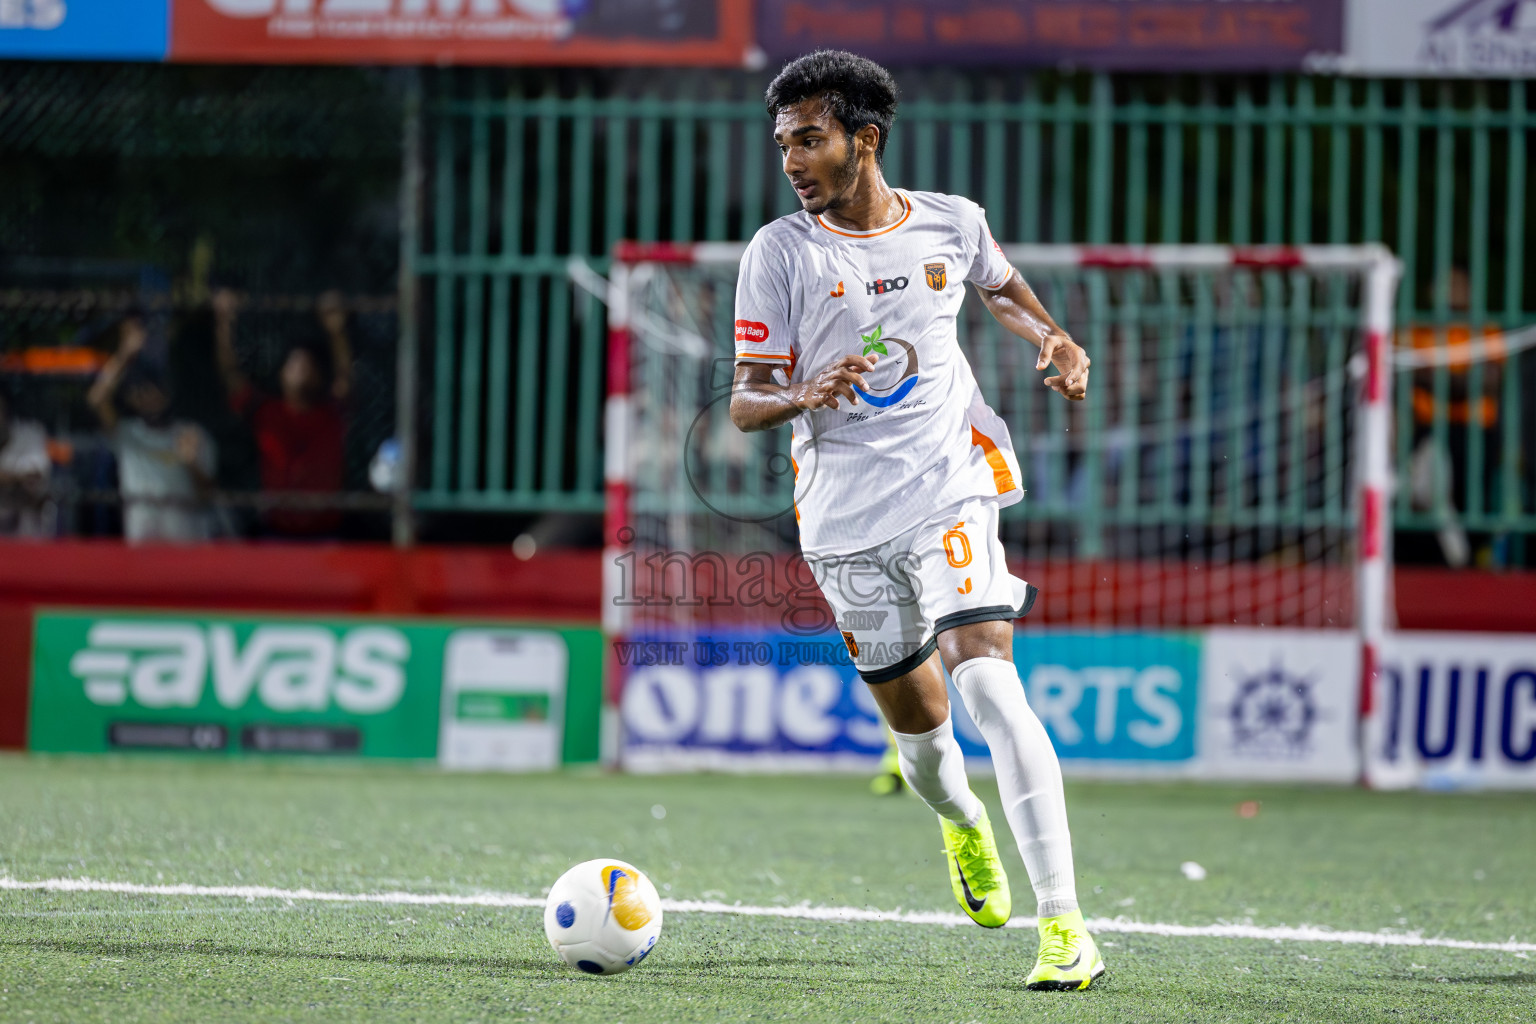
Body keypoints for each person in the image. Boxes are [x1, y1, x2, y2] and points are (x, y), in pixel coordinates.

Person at [728, 52, 1102, 991]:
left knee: (991, 684)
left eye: (809, 139)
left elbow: (1003, 287)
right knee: (926, 742)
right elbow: (744, 402)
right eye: (783, 145)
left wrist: (1054, 338)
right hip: (844, 521)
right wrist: (804, 392)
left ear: (866, 138)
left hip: (950, 486)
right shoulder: (780, 254)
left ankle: (1065, 925)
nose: (793, 160)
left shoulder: (952, 221)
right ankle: (959, 820)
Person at [214, 288, 352, 537]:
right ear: (282, 375)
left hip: (326, 533)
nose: (300, 369)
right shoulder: (267, 412)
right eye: (294, 363)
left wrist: (336, 331)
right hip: (276, 531)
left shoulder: (331, 414)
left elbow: (345, 380)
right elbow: (232, 377)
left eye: (308, 365)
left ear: (320, 377)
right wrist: (225, 323)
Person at [87, 313, 217, 544]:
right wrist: (125, 353)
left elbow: (208, 497)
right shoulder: (127, 434)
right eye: (138, 393)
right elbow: (97, 399)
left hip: (187, 552)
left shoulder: (192, 434)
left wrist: (192, 464)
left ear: (166, 392)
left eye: (151, 390)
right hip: (143, 553)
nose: (146, 399)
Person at [0, 386, 53, 538]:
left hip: (27, 537)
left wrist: (9, 479)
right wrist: (13, 478)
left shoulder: (30, 434)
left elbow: (34, 477)